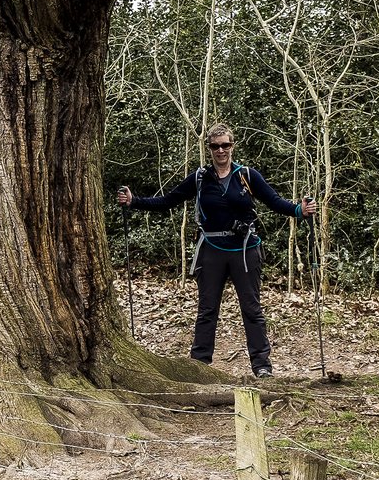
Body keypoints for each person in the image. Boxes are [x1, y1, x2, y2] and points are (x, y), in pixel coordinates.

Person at [118, 124, 317, 379]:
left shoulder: (247, 175)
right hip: (211, 250)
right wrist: (135, 202)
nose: (221, 150)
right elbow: (169, 200)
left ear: (232, 146)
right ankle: (199, 365)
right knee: (207, 309)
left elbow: (275, 202)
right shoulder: (200, 178)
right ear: (209, 148)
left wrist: (299, 210)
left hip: (245, 250)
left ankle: (262, 366)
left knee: (252, 309)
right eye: (215, 146)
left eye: (225, 145)